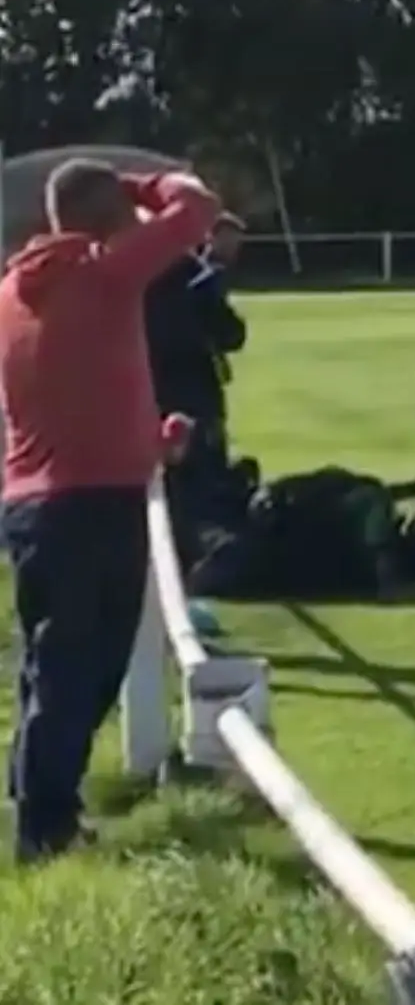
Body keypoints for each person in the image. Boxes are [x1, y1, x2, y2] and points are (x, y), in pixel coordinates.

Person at [2, 160, 219, 864]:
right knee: (84, 671)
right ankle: (45, 830)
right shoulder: (104, 273)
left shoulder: (12, 292)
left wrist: (151, 442)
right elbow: (195, 208)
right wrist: (138, 185)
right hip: (93, 506)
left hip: (35, 504)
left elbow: (64, 392)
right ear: (110, 220)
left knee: (52, 665)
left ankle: (38, 801)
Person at [145, 213, 247, 565]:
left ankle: (166, 549)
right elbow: (231, 334)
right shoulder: (194, 276)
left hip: (149, 387)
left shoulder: (128, 276)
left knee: (163, 476)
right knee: (202, 474)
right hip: (195, 389)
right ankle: (206, 550)